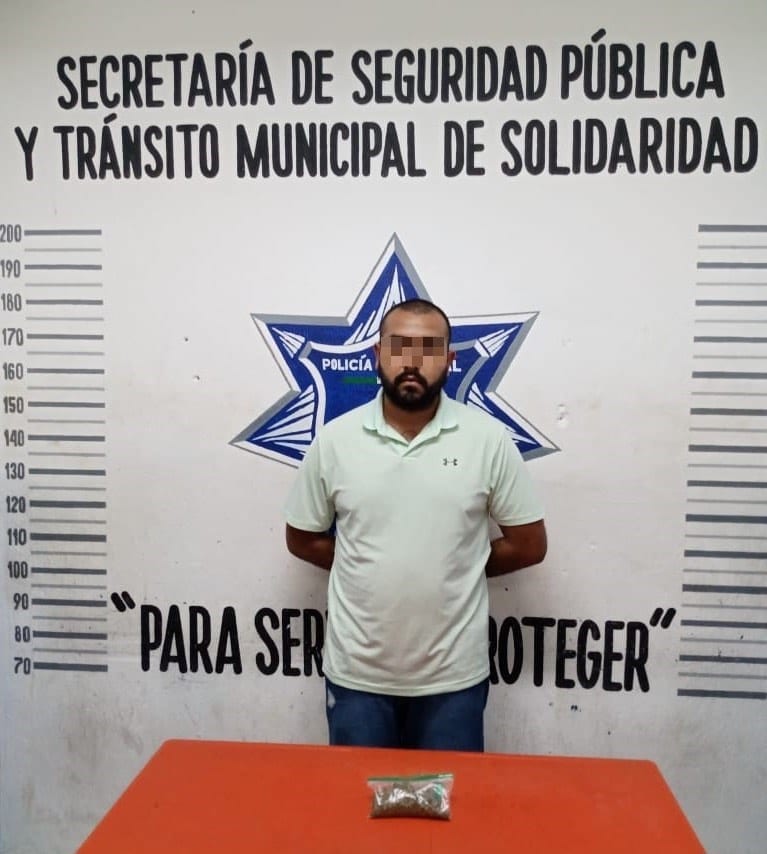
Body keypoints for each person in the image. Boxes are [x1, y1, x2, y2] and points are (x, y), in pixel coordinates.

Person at [284, 298, 546, 751]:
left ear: (449, 359)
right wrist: (363, 564)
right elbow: (303, 538)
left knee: (447, 797)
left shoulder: (487, 440)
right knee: (356, 796)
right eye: (399, 346)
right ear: (377, 354)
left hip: (453, 679)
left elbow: (528, 544)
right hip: (357, 675)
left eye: (428, 349)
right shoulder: (335, 441)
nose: (412, 362)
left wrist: (456, 565)